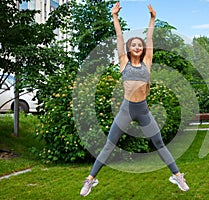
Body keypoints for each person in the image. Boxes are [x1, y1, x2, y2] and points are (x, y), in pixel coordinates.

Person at [80, 2, 189, 196]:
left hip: (143, 110)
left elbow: (149, 38)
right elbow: (119, 38)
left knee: (159, 143)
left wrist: (152, 19)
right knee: (109, 144)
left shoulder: (147, 62)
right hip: (126, 109)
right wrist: (114, 16)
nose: (137, 46)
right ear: (129, 49)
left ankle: (177, 175)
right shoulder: (123, 63)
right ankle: (90, 179)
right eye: (134, 45)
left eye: (140, 45)